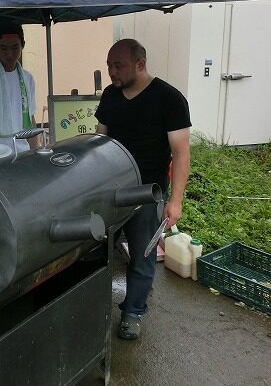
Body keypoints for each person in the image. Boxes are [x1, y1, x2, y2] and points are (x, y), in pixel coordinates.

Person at [95, 38, 191, 341]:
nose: (111, 71)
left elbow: (181, 152)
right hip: (110, 191)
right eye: (109, 65)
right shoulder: (110, 96)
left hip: (148, 193)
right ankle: (92, 305)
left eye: (118, 65)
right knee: (97, 249)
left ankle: (133, 312)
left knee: (143, 254)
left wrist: (175, 201)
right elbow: (99, 140)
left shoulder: (168, 98)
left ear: (140, 63)